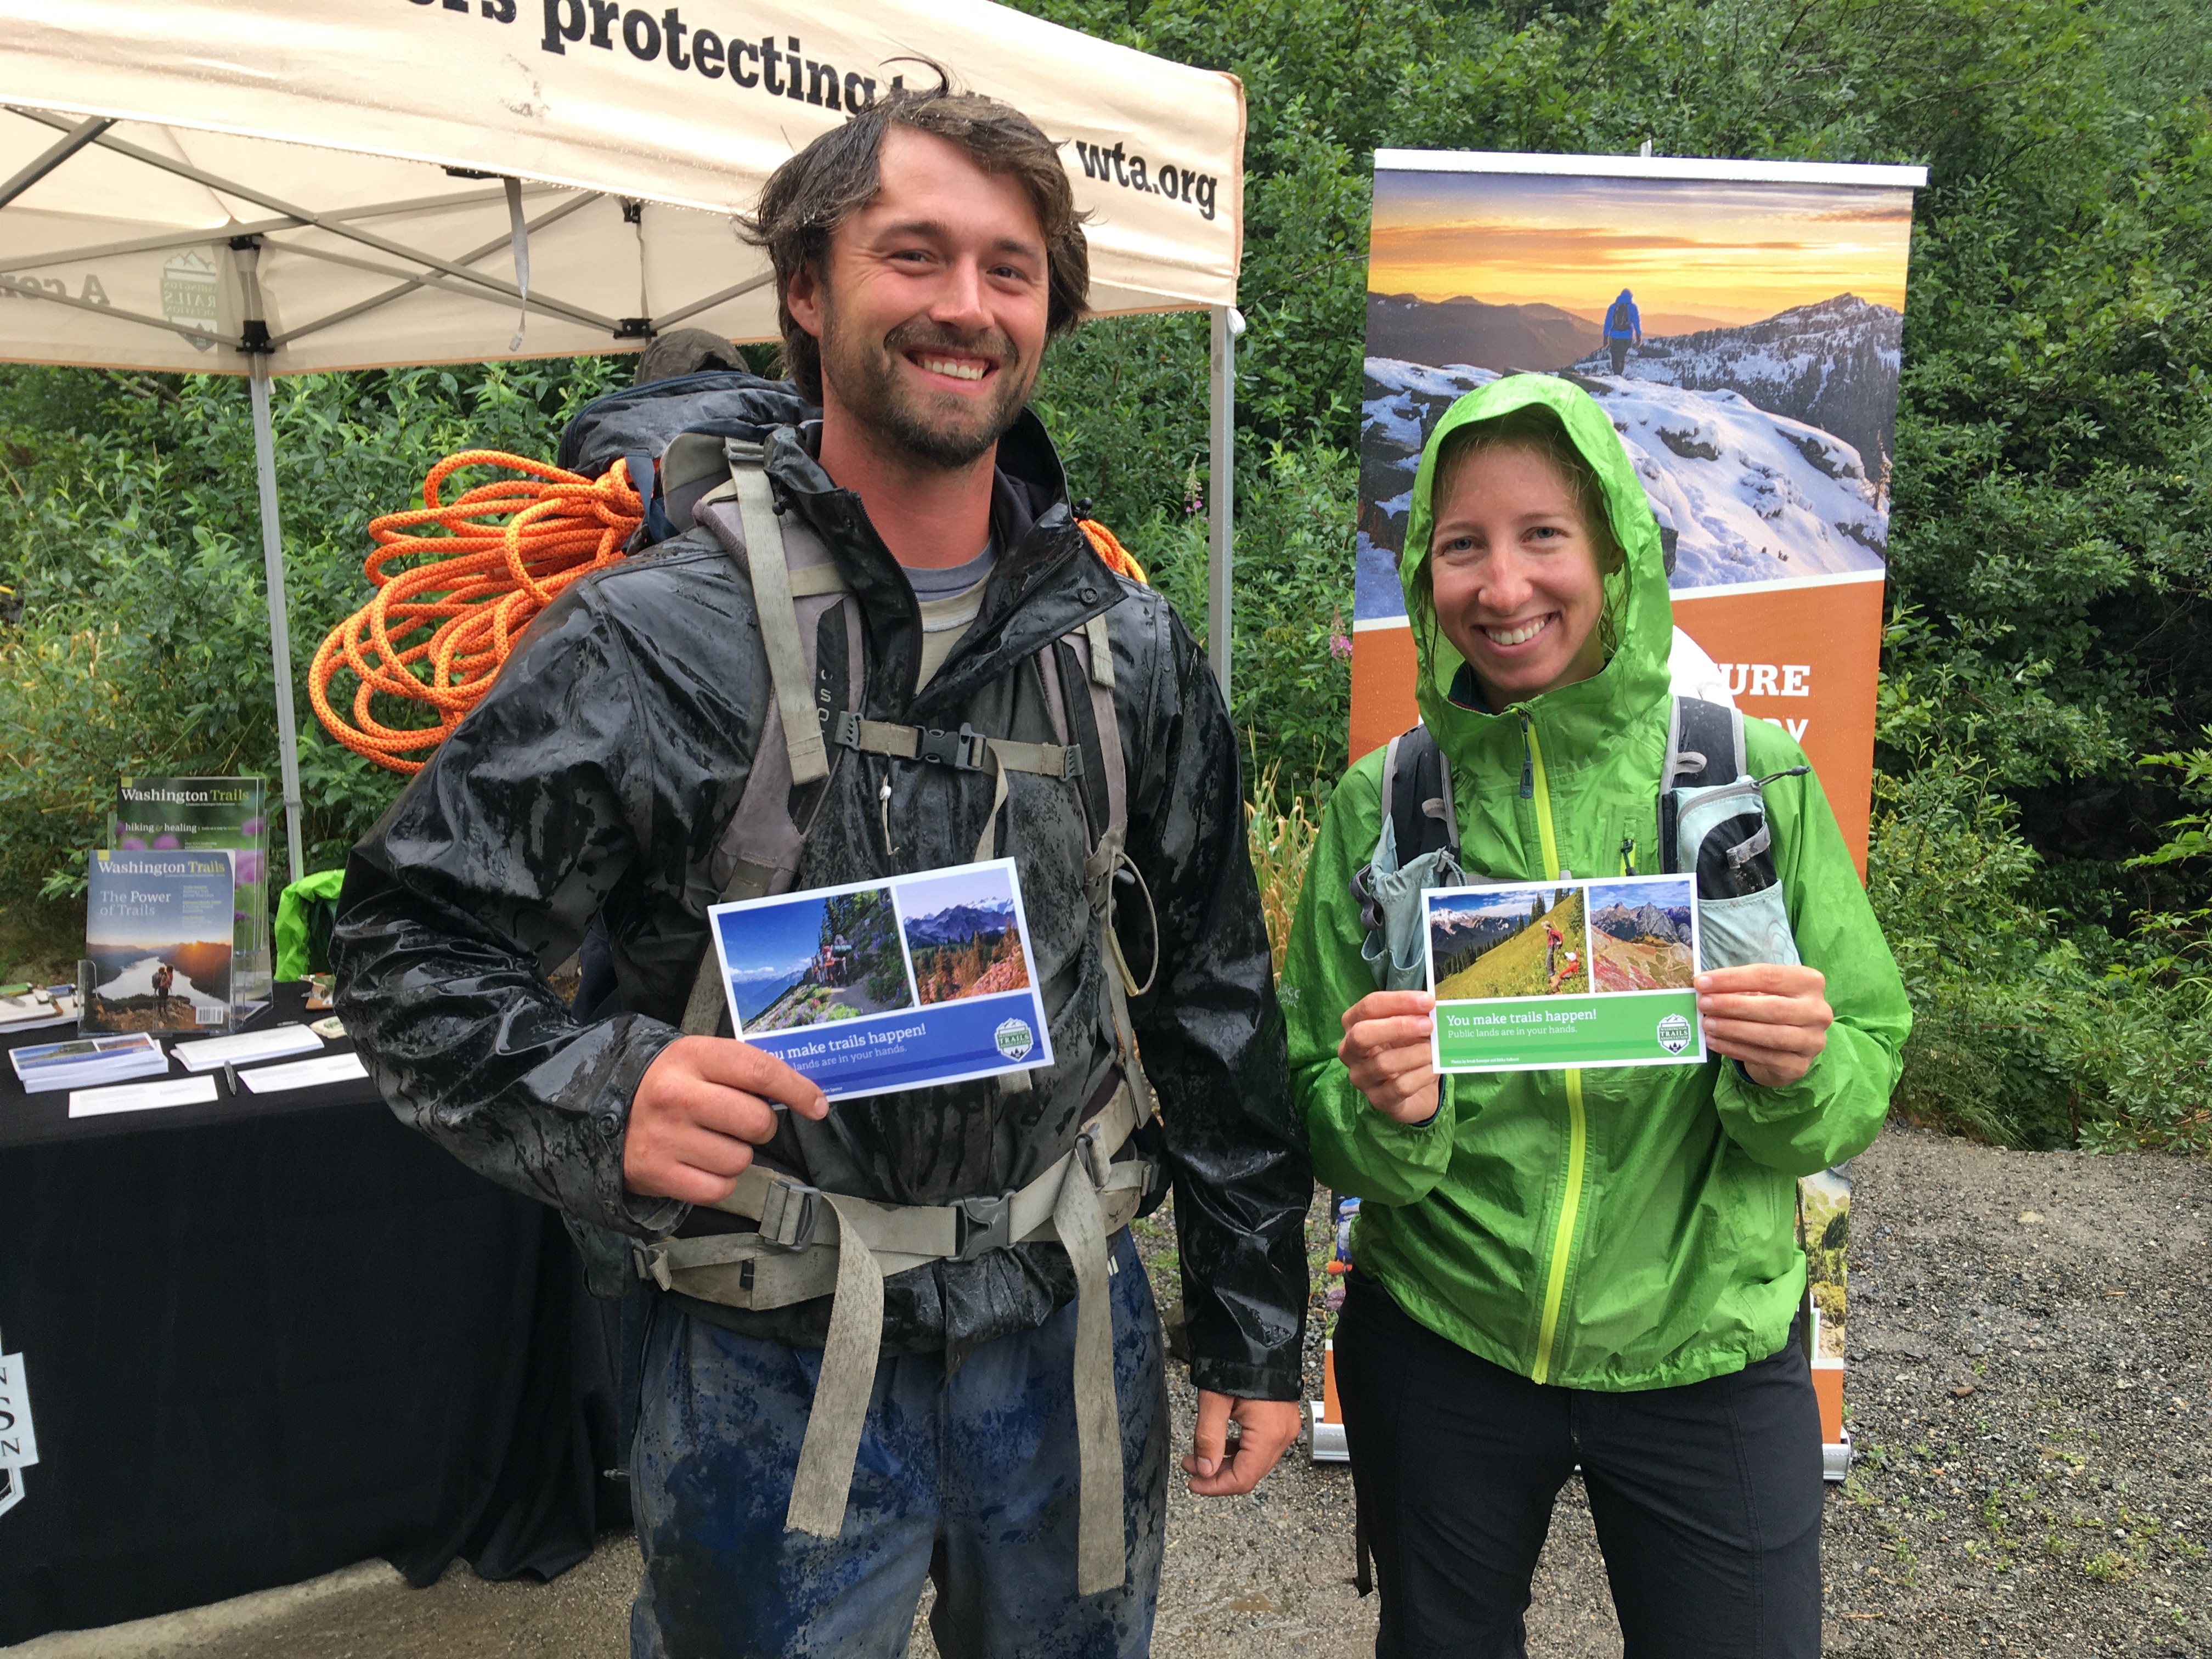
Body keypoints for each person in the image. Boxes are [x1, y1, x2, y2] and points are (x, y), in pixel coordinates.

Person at [333, 77, 1308, 1659]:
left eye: (1008, 268)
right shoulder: (658, 639)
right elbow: (406, 945)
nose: (966, 304)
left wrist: (1255, 1327)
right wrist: (600, 1093)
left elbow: (1212, 994)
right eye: (913, 254)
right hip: (765, 1356)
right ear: (805, 287)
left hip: (1064, 1337)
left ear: (1050, 309)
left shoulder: (1123, 648)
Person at [1281, 374, 1910, 1658]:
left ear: (1615, 551)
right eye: (1464, 544)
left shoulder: (1746, 778)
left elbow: (1864, 1056)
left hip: (1707, 1345)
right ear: (1425, 573)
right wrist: (1379, 1111)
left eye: (1543, 536)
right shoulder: (1382, 805)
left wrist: (1799, 1070)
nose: (1504, 585)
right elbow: (1310, 1092)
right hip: (1445, 1338)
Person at [1603, 287, 1641, 375]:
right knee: (1622, 355)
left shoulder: (1613, 307)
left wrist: (1605, 336)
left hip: (1614, 335)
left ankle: (1616, 372)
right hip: (1627, 336)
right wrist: (1638, 336)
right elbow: (1636, 322)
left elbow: (1608, 322)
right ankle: (1620, 372)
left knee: (1615, 355)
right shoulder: (1633, 307)